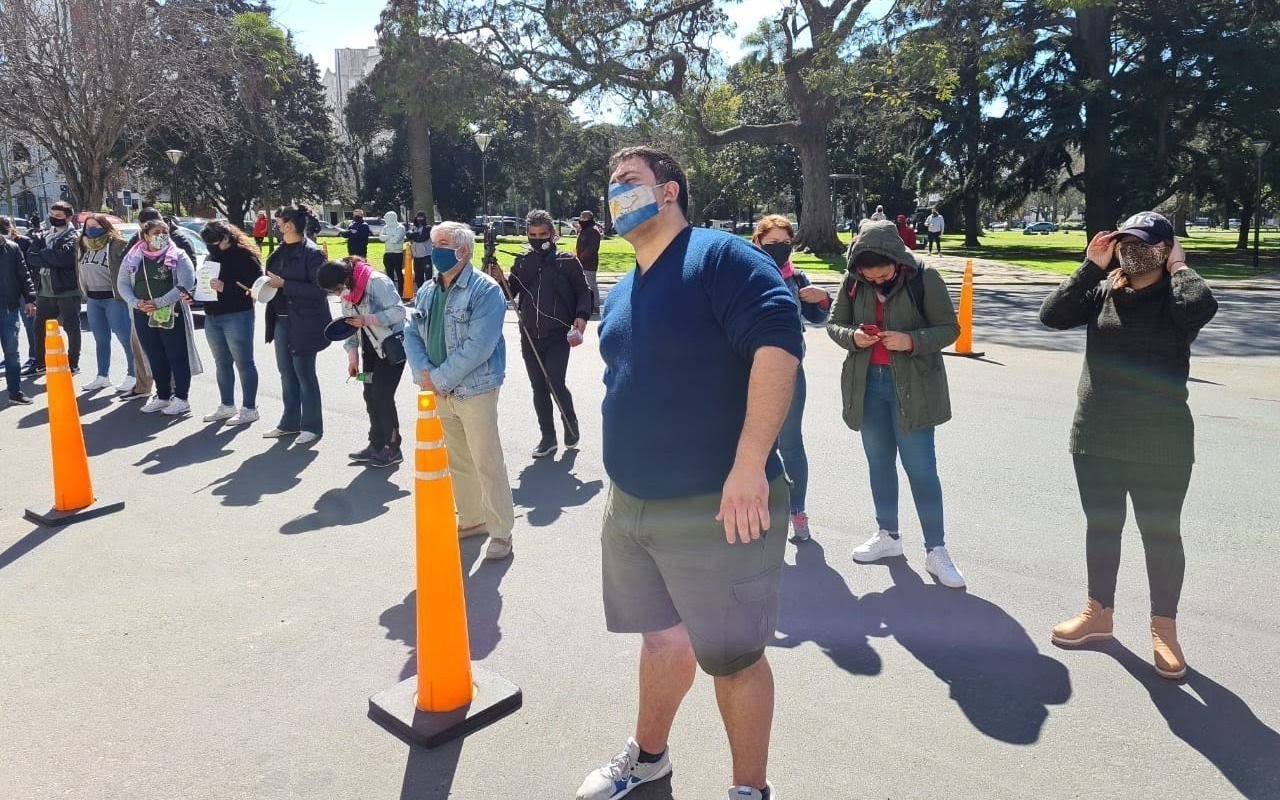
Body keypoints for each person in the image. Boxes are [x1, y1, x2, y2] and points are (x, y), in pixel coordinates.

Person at [576, 147, 802, 800]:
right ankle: (648, 758)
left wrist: (749, 465)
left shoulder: (720, 257)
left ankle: (749, 790)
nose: (616, 193)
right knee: (661, 641)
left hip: (719, 506)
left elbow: (779, 344)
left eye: (629, 181)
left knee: (734, 660)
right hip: (633, 506)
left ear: (669, 190)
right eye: (611, 184)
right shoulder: (626, 288)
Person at [1039, 212, 1217, 680]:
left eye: (1144, 243)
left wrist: (1179, 267)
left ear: (1165, 248)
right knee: (1102, 526)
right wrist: (1091, 267)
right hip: (1096, 435)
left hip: (1161, 441)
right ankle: (1098, 612)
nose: (1133, 250)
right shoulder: (1104, 291)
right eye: (1126, 241)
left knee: (1161, 535)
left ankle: (1164, 628)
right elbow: (1051, 315)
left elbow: (1201, 306)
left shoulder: (1176, 300)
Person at [826, 219, 966, 588]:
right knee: (879, 463)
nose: (875, 281)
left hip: (914, 387)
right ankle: (887, 534)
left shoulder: (924, 278)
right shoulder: (853, 281)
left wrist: (911, 341)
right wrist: (854, 336)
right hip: (866, 385)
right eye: (868, 276)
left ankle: (936, 549)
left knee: (921, 469)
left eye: (883, 274)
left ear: (897, 261)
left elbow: (950, 329)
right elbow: (834, 324)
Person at [403, 221, 515, 561]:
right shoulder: (428, 288)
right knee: (458, 460)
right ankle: (472, 519)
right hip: (438, 389)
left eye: (441, 243)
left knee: (486, 460)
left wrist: (438, 379)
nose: (433, 249)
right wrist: (424, 373)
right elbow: (411, 331)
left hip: (473, 389)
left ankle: (501, 532)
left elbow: (479, 346)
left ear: (463, 251)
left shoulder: (485, 291)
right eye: (434, 243)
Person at [752, 214, 832, 542]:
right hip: (747, 372)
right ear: (758, 242)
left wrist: (822, 298)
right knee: (754, 446)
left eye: (786, 243)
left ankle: (797, 512)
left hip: (788, 372)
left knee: (790, 443)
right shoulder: (743, 274)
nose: (780, 249)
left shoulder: (796, 278)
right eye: (773, 243)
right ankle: (758, 512)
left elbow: (817, 317)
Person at [488, 209, 591, 459]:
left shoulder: (567, 261)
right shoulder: (523, 262)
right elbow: (511, 291)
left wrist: (581, 316)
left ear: (552, 234)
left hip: (558, 334)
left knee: (554, 381)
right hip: (529, 333)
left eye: (542, 234)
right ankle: (548, 437)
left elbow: (583, 291)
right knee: (538, 387)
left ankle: (570, 421)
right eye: (532, 235)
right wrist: (499, 279)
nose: (537, 239)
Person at [318, 257, 407, 468]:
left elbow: (399, 312)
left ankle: (393, 447)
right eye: (333, 292)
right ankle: (376, 444)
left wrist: (368, 319)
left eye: (337, 289)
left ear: (346, 278)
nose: (338, 294)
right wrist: (352, 357)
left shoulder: (376, 282)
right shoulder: (348, 292)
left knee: (382, 395)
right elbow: (348, 325)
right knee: (369, 394)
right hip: (369, 351)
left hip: (390, 348)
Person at [263, 204, 331, 445]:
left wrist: (285, 285)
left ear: (290, 225)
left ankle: (312, 426)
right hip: (281, 319)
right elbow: (270, 279)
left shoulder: (313, 254)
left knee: (304, 373)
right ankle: (290, 422)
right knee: (286, 373)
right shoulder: (278, 252)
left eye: (279, 223)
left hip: (304, 322)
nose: (276, 227)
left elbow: (320, 290)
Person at [117, 219, 199, 416]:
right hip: (142, 313)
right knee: (154, 354)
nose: (161, 236)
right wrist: (136, 302)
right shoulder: (133, 257)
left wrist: (160, 302)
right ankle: (162, 396)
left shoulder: (178, 255)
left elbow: (186, 282)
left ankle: (181, 398)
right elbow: (122, 283)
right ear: (145, 236)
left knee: (176, 355)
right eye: (156, 232)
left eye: (164, 232)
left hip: (171, 313)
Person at [199, 220, 263, 426]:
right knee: (221, 363)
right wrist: (196, 295)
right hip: (212, 314)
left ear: (226, 237)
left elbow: (254, 289)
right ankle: (227, 405)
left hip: (237, 314)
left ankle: (249, 408)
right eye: (209, 244)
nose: (213, 247)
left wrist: (224, 287)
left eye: (216, 243)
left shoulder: (244, 257)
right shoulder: (211, 256)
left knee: (244, 362)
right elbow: (205, 284)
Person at [76, 214, 136, 394]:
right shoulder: (82, 244)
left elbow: (129, 269)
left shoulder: (117, 244)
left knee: (125, 338)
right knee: (101, 339)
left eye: (96, 226)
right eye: (88, 226)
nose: (91, 229)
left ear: (105, 226)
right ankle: (102, 376)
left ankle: (133, 375)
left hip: (114, 298)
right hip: (93, 299)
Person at [24, 201, 81, 377]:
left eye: (58, 216)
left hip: (67, 290)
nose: (54, 218)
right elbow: (30, 257)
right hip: (44, 291)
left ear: (68, 218)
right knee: (39, 328)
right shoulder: (43, 236)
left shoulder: (74, 237)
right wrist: (50, 257)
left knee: (71, 328)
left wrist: (43, 255)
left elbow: (65, 259)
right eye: (52, 215)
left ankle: (73, 363)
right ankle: (40, 363)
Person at [1, 219, 36, 405]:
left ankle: (15, 392)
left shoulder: (12, 248)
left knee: (12, 353)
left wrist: (30, 299)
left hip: (8, 308)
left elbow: (24, 275)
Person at [575, 209, 602, 314]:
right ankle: (588, 305)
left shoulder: (593, 231)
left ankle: (595, 306)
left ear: (588, 218)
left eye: (583, 217)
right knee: (585, 285)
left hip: (589, 264)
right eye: (580, 217)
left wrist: (581, 258)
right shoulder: (584, 230)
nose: (580, 219)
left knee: (591, 284)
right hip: (582, 262)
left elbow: (592, 248)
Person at [379, 211, 407, 294]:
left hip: (397, 253)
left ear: (392, 218)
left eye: (387, 218)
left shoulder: (400, 227)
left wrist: (386, 237)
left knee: (398, 272)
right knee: (389, 273)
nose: (385, 220)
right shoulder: (385, 227)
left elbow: (395, 240)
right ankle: (391, 291)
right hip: (388, 253)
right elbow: (381, 237)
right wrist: (390, 236)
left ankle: (401, 291)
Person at [407, 211, 433, 289]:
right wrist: (416, 234)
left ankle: (428, 291)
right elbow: (408, 235)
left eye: (421, 217)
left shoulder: (428, 228)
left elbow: (422, 238)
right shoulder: (414, 228)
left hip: (426, 256)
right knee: (418, 277)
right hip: (416, 257)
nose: (419, 219)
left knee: (428, 277)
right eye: (418, 217)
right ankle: (420, 291)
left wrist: (413, 236)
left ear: (425, 218)